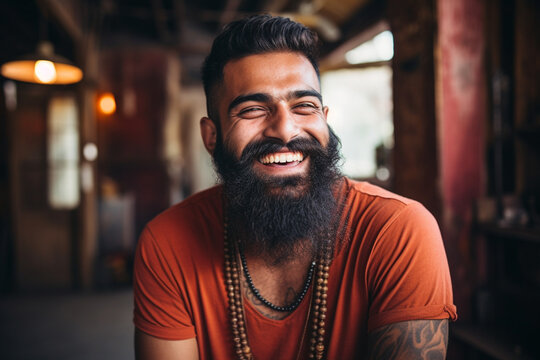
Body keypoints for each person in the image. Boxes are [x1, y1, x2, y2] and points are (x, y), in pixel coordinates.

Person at [133, 14, 457, 360]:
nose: (286, 130)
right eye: (253, 109)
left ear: (325, 119)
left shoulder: (398, 231)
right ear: (211, 136)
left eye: (304, 106)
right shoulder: (167, 242)